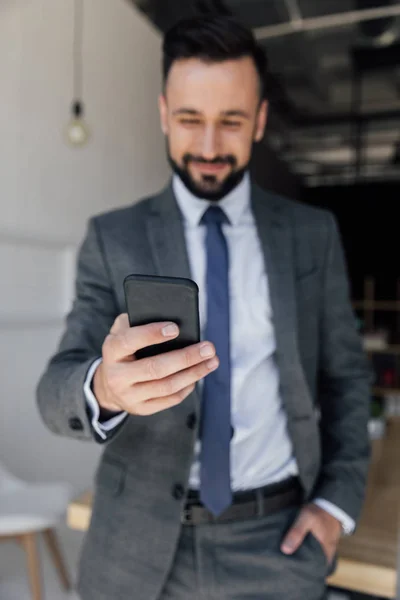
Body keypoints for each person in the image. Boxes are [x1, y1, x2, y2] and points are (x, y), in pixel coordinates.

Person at [36, 14, 372, 600]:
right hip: (135, 554)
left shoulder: (311, 234)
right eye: (191, 120)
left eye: (232, 121)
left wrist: (334, 505)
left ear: (261, 119)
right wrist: (106, 389)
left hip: (279, 546)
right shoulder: (113, 237)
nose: (211, 147)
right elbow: (54, 388)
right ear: (165, 113)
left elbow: (347, 379)